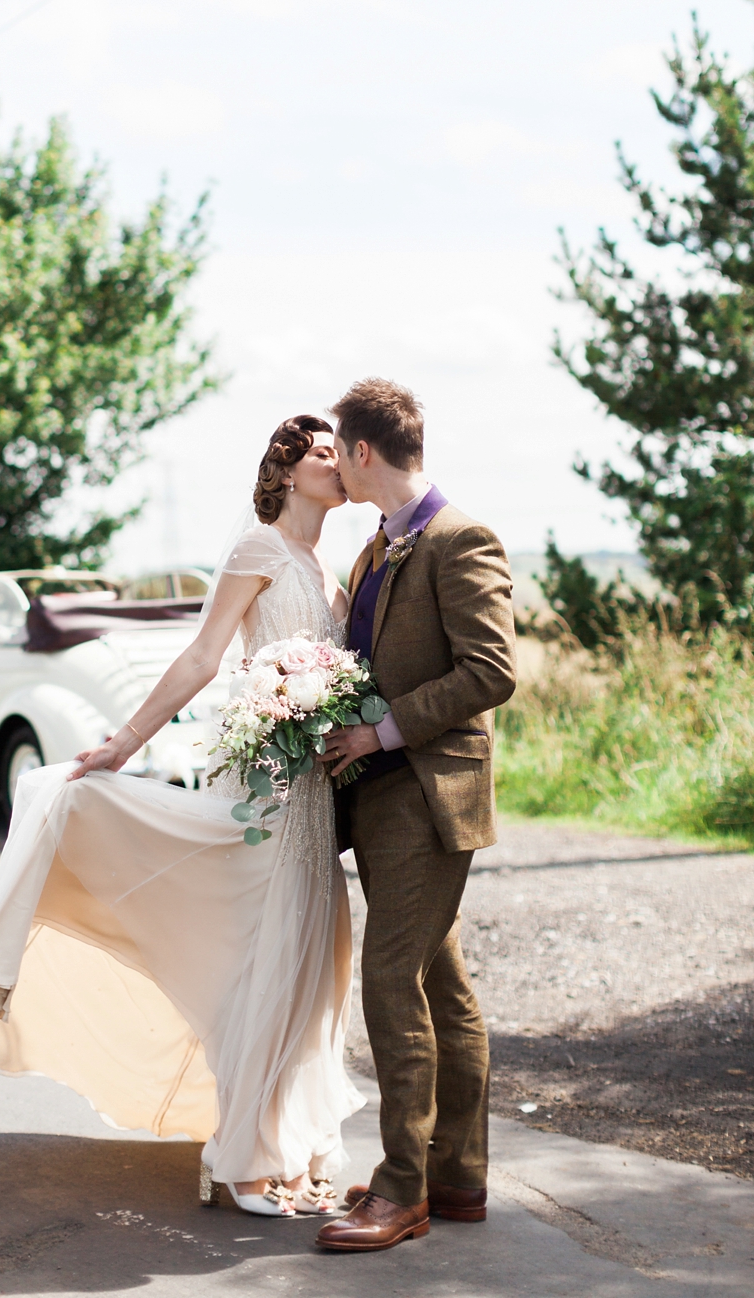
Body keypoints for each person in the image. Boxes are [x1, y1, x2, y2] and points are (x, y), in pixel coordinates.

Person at [0, 415, 363, 1218]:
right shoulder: (258, 548)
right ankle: (241, 1164)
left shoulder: (329, 571)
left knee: (301, 954)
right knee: (257, 955)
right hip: (260, 785)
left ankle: (282, 1142)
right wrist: (124, 741)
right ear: (288, 471)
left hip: (313, 794)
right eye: (325, 453)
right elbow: (200, 656)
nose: (340, 464)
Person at [312, 377, 516, 1254]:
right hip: (382, 798)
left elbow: (491, 670)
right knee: (442, 987)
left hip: (432, 794)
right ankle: (456, 1177)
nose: (336, 469)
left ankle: (401, 1194)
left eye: (338, 453)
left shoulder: (461, 538)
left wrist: (382, 731)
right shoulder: (371, 550)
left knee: (390, 981)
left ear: (363, 452)